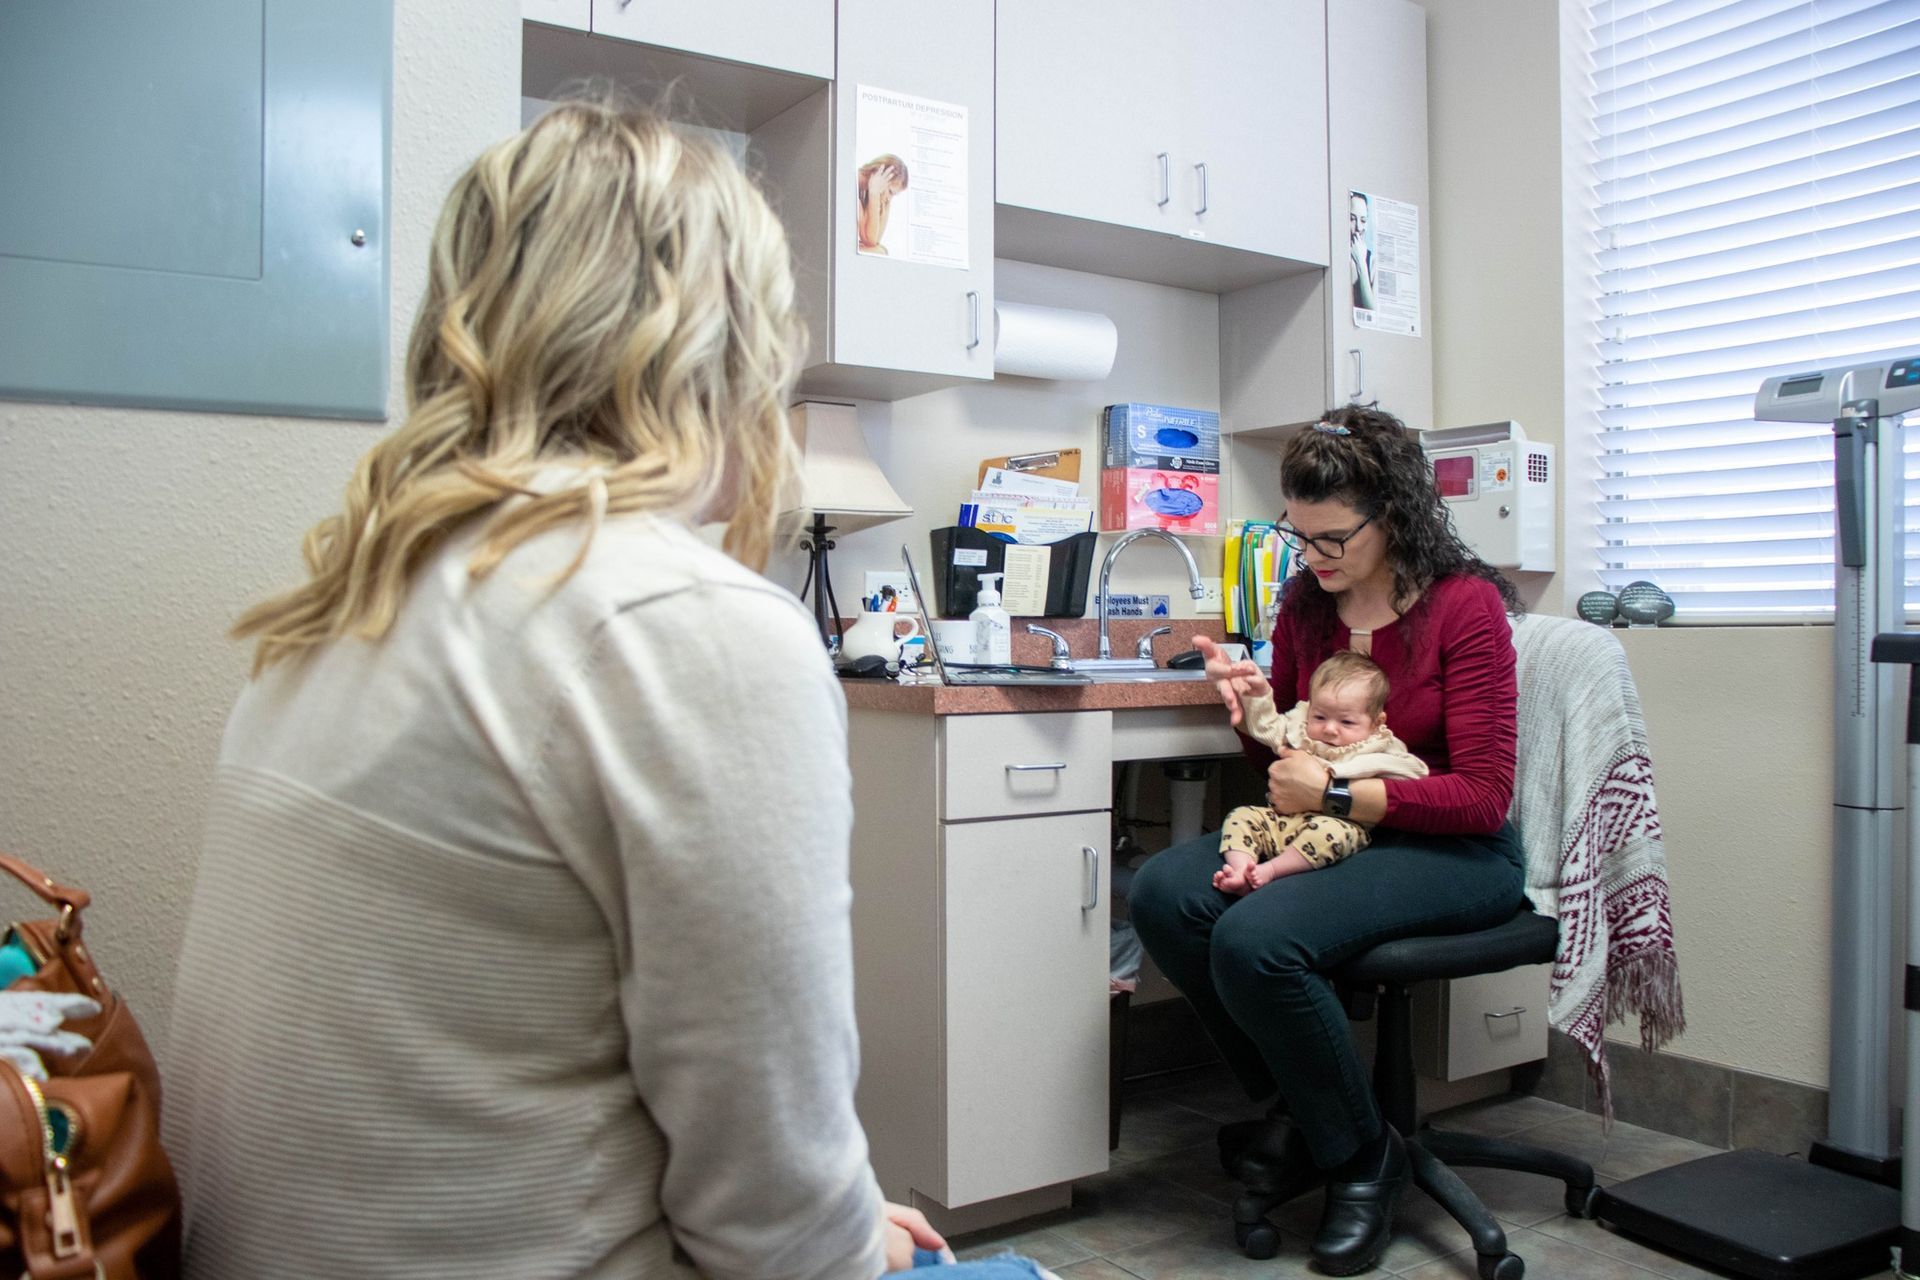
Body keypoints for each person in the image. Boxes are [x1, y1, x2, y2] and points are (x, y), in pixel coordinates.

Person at [162, 99, 1050, 1280]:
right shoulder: (690, 625)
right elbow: (779, 1232)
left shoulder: (347, 596)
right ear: (724, 350)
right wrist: (856, 1229)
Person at [1129, 404, 1525, 1276]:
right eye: (1300, 536)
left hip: (1455, 852)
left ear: (1397, 513)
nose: (1314, 556)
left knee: (1258, 936)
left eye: (1334, 537)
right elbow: (1291, 757)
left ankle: (1357, 1160)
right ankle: (1318, 1113)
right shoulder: (1307, 603)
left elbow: (1486, 799)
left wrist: (1342, 790)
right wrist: (1247, 712)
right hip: (1325, 832)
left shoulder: (1466, 607)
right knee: (1164, 891)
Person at [1211, 649, 1427, 894]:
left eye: (1346, 722)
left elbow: (1416, 773)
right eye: (1320, 716)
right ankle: (1241, 871)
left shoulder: (1378, 746)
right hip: (1284, 821)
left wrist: (1332, 774)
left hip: (1338, 825)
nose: (1330, 729)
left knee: (1330, 833)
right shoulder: (1303, 731)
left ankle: (1271, 870)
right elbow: (1266, 727)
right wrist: (1260, 694)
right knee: (1241, 816)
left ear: (1376, 722)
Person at [856, 154, 909, 254]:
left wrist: (885, 204)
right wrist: (874, 194)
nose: (889, 198)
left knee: (881, 250)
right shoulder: (851, 186)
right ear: (881, 176)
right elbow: (870, 240)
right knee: (879, 252)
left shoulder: (865, 190)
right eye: (890, 192)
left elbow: (876, 239)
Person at [1349, 192, 1377, 311]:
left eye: (1363, 220)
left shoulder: (1372, 261)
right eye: (1352, 219)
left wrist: (1361, 262)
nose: (1359, 228)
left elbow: (1372, 309)